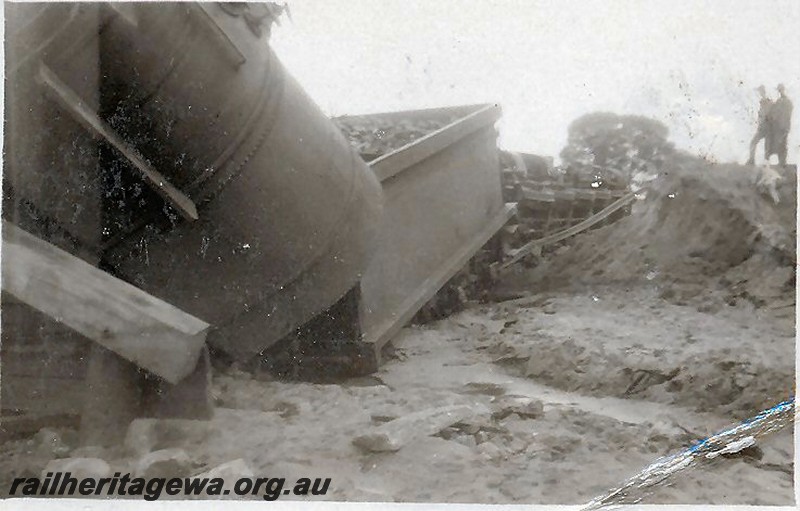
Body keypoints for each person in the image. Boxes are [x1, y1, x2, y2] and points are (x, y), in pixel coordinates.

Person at [767, 84, 793, 167]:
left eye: (780, 90)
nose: (779, 92)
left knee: (782, 144)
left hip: (783, 126)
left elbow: (787, 114)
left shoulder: (786, 101)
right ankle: (781, 162)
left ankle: (783, 163)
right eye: (779, 90)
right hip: (779, 126)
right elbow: (774, 111)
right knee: (779, 144)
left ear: (783, 90)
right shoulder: (779, 101)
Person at [747, 85, 772, 165]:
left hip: (767, 128)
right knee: (754, 143)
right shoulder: (763, 102)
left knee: (766, 146)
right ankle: (752, 160)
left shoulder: (768, 102)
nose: (760, 93)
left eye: (760, 91)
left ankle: (764, 163)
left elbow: (768, 115)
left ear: (763, 91)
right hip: (762, 127)